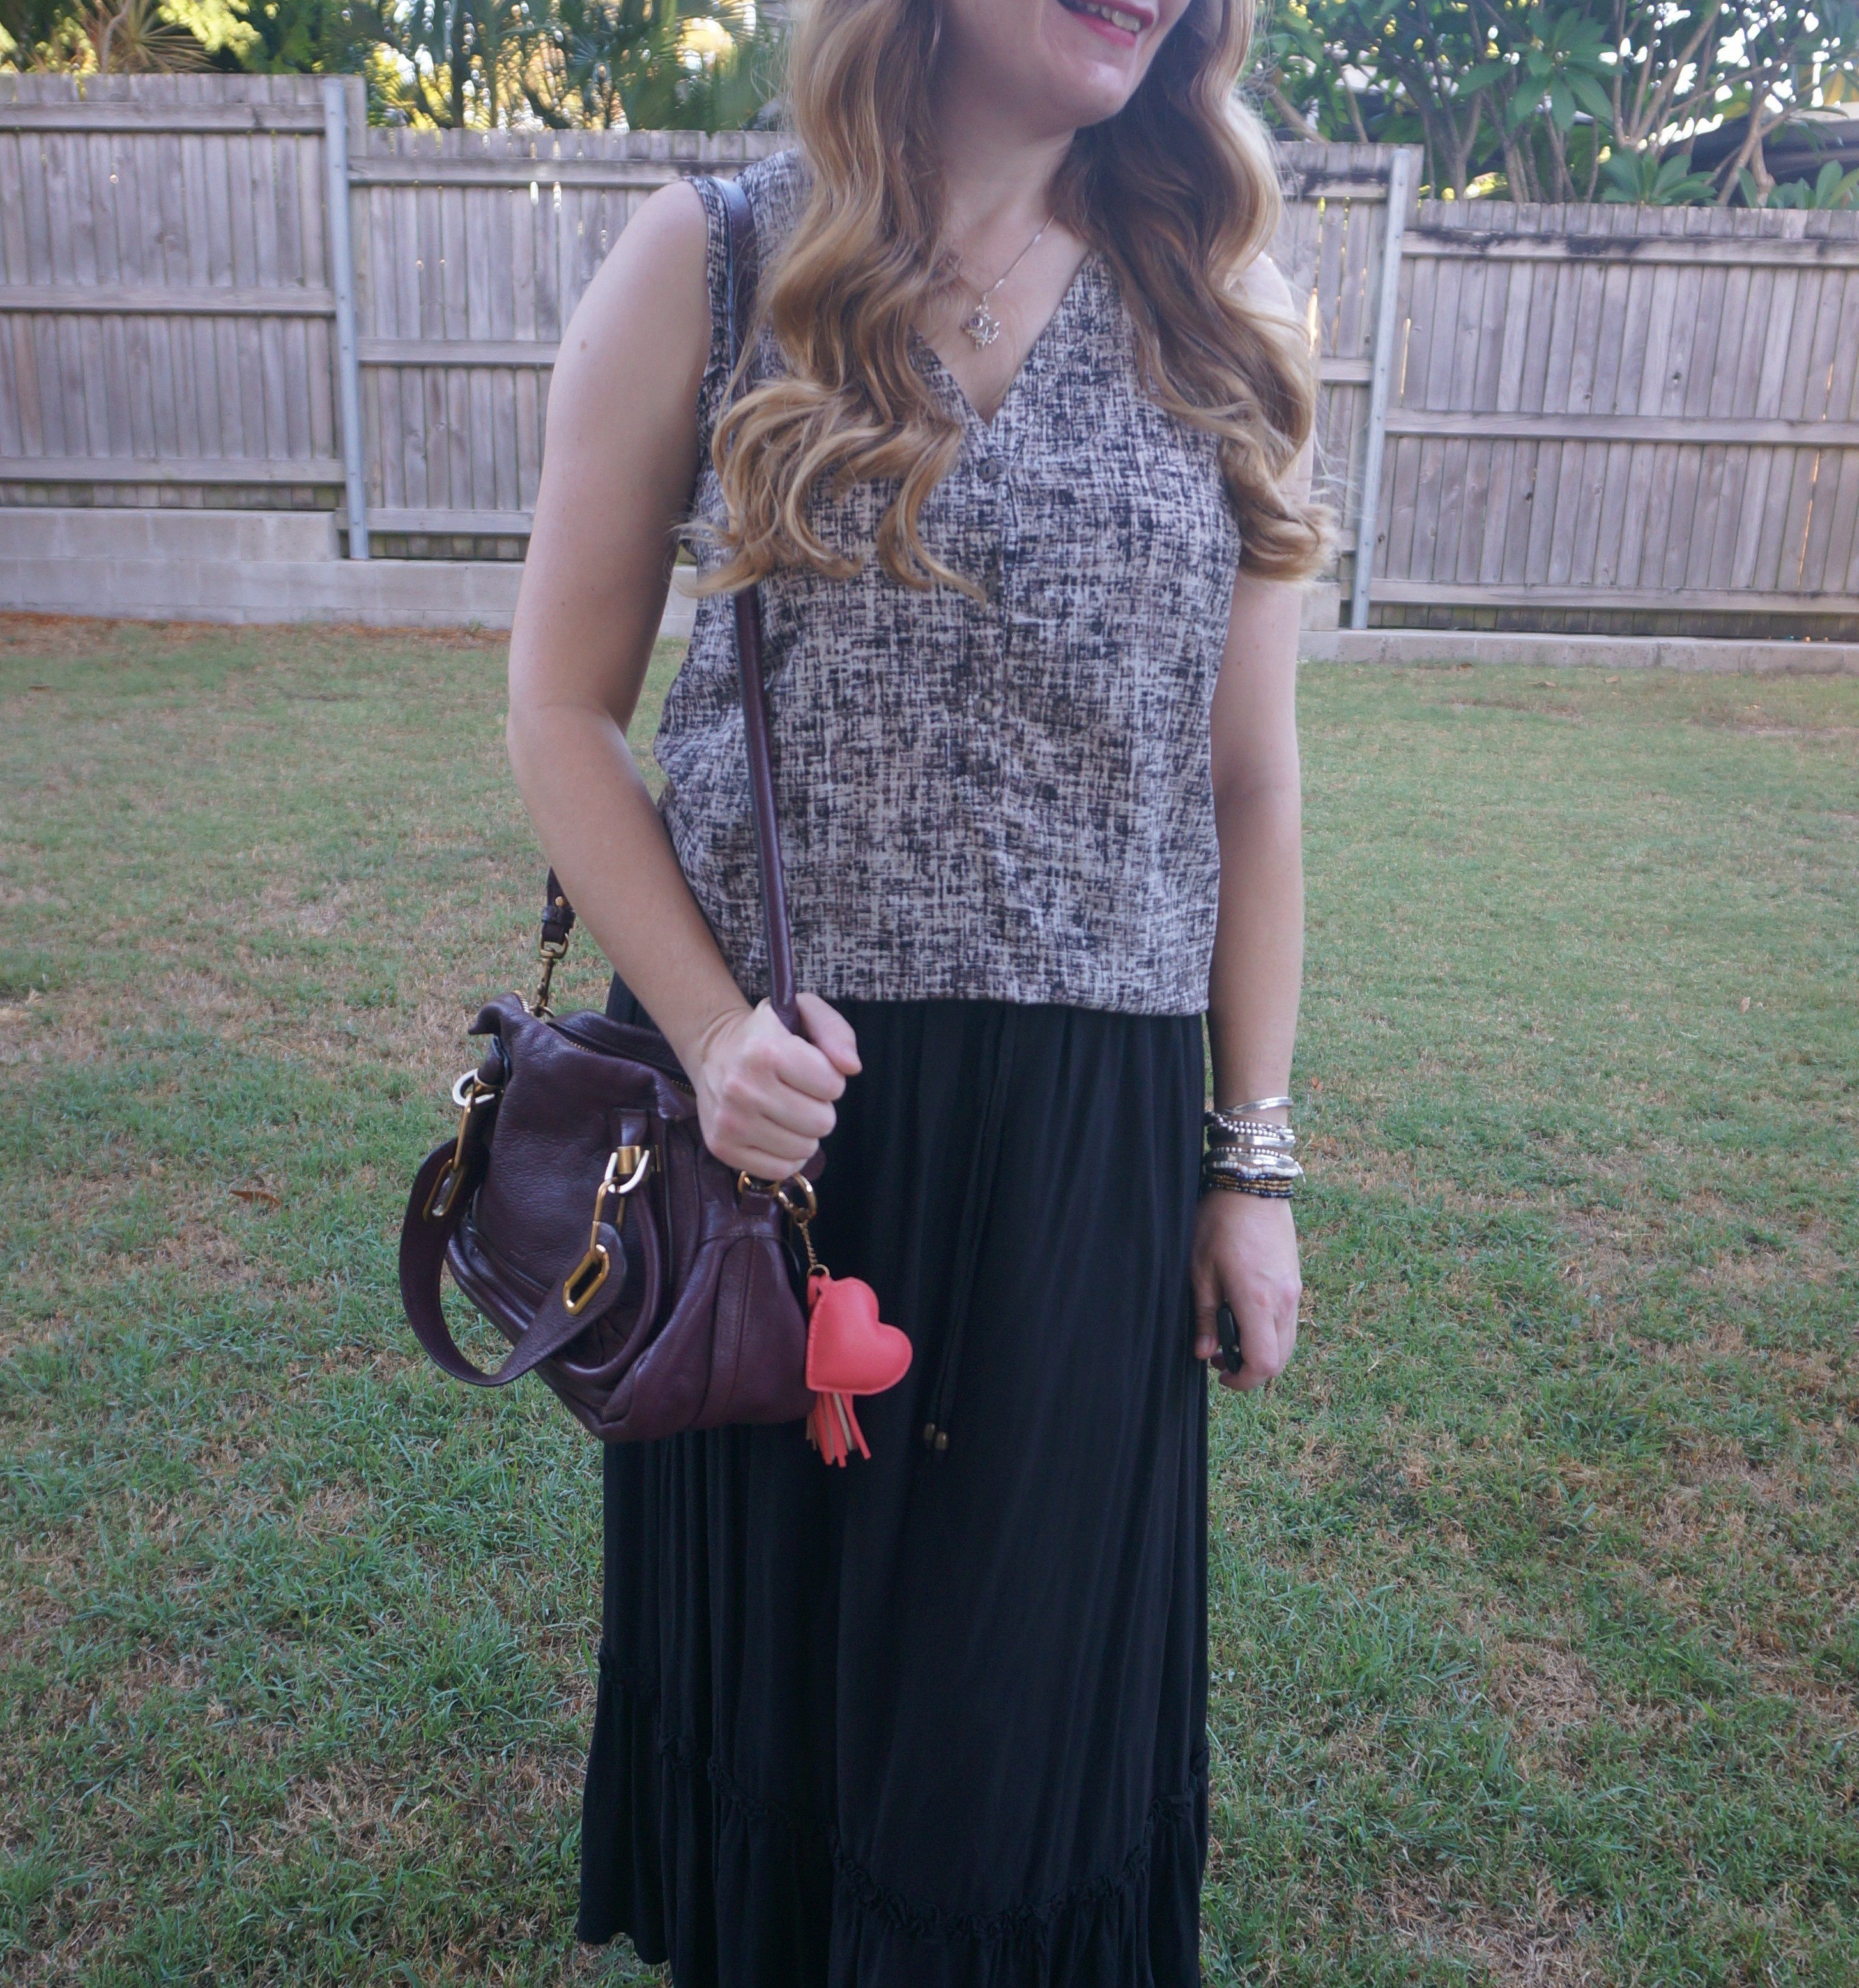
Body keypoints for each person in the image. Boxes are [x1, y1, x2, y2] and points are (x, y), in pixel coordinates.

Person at [503, 0, 1327, 1972]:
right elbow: (557, 708)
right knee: (789, 1675)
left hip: (1081, 1157)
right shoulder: (714, 260)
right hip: (782, 1129)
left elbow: (1252, 782)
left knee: (1020, 1698)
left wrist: (1253, 1163)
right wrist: (706, 1037)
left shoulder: (1225, 316)